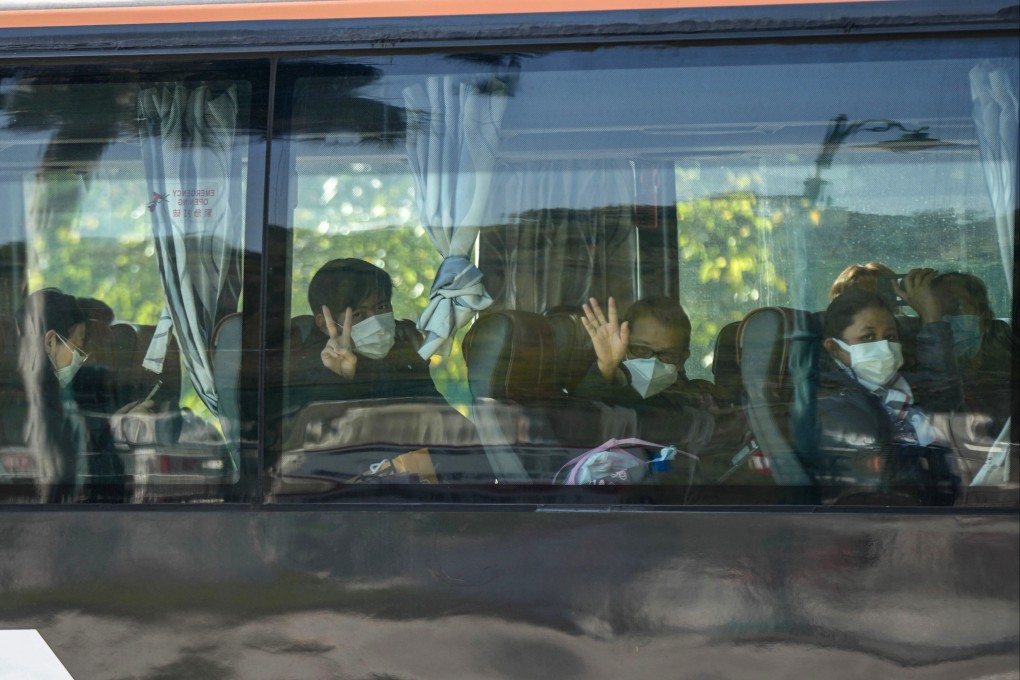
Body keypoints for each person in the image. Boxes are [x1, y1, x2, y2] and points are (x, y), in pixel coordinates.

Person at [816, 288, 961, 503]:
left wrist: (932, 317)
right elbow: (892, 480)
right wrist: (959, 463)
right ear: (834, 348)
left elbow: (943, 396)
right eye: (868, 337)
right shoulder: (833, 403)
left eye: (890, 336)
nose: (884, 346)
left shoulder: (893, 389)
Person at [574, 295, 717, 457]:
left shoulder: (700, 397)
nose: (652, 362)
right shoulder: (608, 391)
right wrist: (606, 367)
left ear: (682, 358)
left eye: (667, 354)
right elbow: (583, 419)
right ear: (625, 347)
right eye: (642, 350)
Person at [288, 258, 443, 406]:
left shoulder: (403, 349)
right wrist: (338, 378)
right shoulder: (303, 372)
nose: (377, 323)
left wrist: (415, 363)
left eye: (381, 307)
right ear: (324, 325)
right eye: (358, 314)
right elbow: (318, 426)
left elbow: (441, 419)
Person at [15, 288, 90, 501]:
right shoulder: (33, 406)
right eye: (79, 341)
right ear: (51, 342)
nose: (82, 355)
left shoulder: (64, 395)